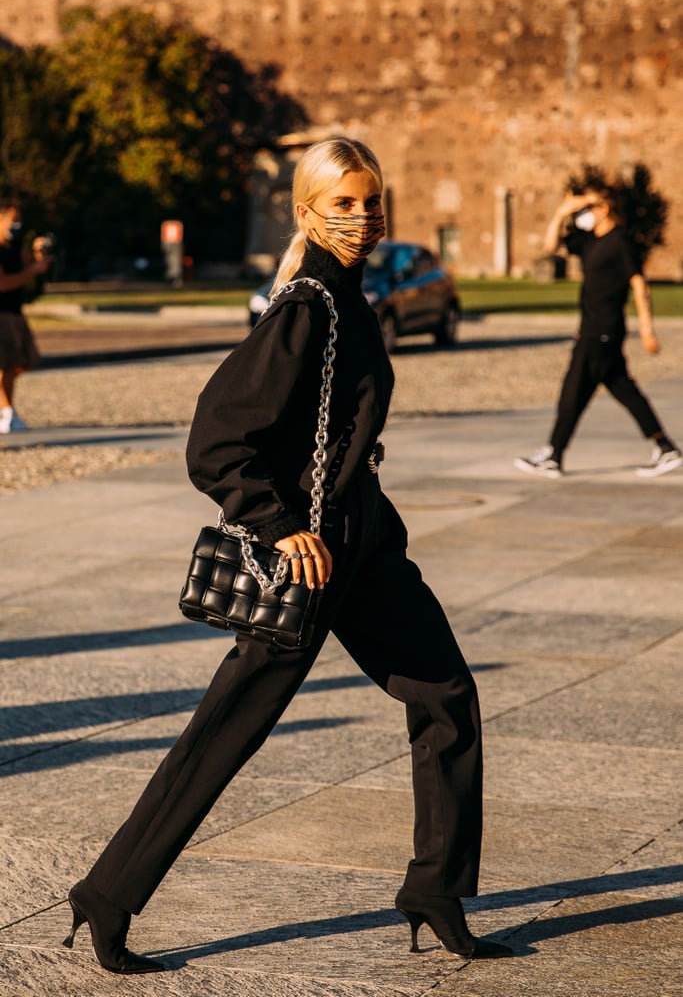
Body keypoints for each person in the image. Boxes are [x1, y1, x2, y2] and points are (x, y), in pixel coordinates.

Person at [62, 138, 512, 974]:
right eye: (341, 204)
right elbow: (216, 438)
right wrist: (275, 525)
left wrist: (363, 516)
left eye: (371, 201)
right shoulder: (308, 307)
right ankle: (107, 895)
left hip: (363, 541)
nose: (361, 217)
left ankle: (434, 890)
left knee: (446, 693)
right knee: (229, 729)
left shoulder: (349, 292)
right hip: (310, 554)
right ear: (307, 212)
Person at [515, 185, 682, 479]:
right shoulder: (590, 241)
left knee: (573, 392)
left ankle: (554, 454)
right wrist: (561, 212)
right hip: (591, 329)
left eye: (586, 208)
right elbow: (550, 247)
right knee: (622, 390)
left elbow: (639, 285)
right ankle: (665, 447)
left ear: (604, 209)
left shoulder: (621, 242)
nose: (581, 215)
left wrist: (646, 329)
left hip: (603, 331)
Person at [0, 199, 52, 434]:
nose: (17, 224)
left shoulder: (14, 247)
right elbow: (3, 283)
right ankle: (6, 411)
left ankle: (6, 411)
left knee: (24, 360)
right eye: (13, 220)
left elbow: (33, 271)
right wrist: (32, 270)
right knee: (5, 365)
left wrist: (38, 254)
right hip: (1, 313)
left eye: (19, 219)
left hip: (14, 312)